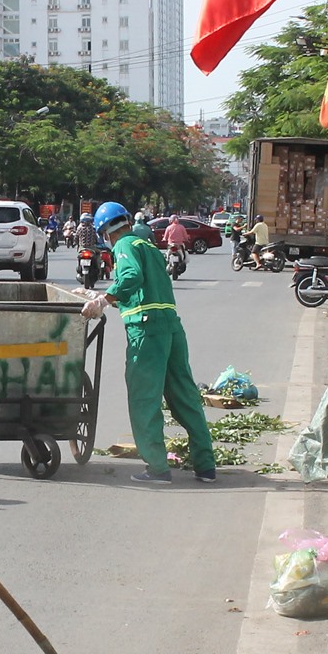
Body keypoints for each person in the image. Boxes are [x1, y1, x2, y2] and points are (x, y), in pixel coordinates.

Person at [79, 200, 217, 485]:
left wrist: (104, 299)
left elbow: (131, 276)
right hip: (171, 327)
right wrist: (101, 298)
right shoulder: (149, 247)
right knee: (184, 396)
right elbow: (144, 293)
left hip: (147, 332)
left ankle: (157, 468)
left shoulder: (124, 245)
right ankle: (205, 466)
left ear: (106, 231)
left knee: (144, 398)